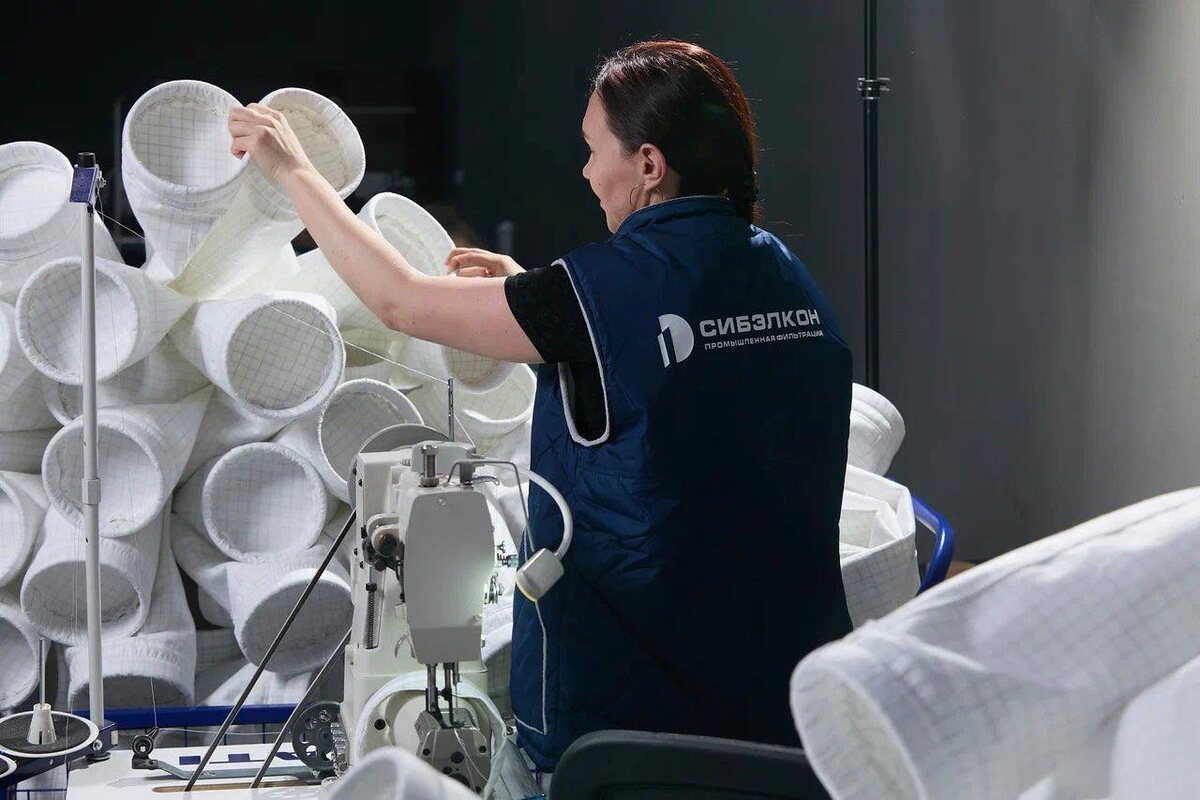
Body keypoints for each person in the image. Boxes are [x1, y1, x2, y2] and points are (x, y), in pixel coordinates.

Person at [228, 39, 854, 773]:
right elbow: (668, 377)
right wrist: (528, 293)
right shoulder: (785, 275)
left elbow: (399, 301)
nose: (586, 172)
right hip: (786, 709)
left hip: (630, 724)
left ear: (649, 165)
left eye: (594, 150)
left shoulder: (592, 293)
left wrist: (293, 170)